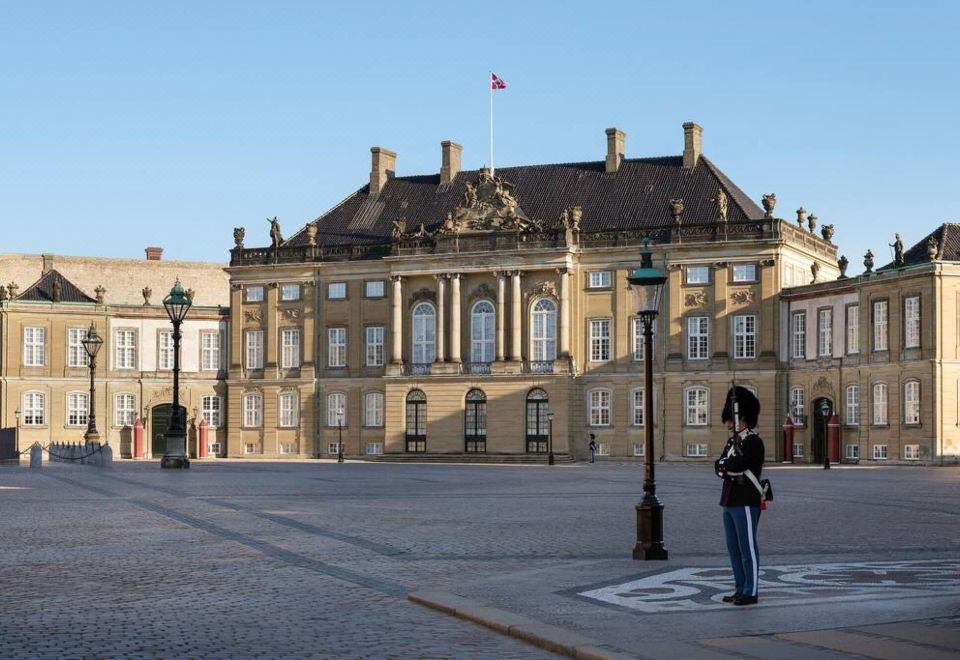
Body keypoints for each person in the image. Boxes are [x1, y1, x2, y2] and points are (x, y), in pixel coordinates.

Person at [714, 386, 765, 606]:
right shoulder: (732, 442)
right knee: (734, 549)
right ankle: (740, 587)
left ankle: (750, 591)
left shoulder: (753, 441)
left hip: (746, 499)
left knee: (747, 547)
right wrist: (726, 467)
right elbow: (719, 466)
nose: (728, 423)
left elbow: (737, 465)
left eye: (731, 419)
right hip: (729, 499)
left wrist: (726, 467)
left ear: (742, 418)